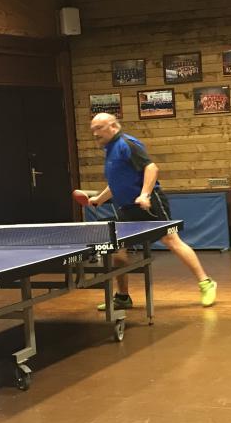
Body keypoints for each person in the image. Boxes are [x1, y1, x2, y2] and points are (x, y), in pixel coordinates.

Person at [78, 113, 216, 308]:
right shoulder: (109, 149)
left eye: (99, 128)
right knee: (117, 250)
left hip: (149, 203)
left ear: (113, 127)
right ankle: (123, 297)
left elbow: (151, 168)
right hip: (126, 207)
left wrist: (144, 195)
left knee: (171, 240)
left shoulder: (127, 144)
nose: (95, 133)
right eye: (93, 129)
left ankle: (206, 283)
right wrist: (99, 199)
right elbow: (117, 182)